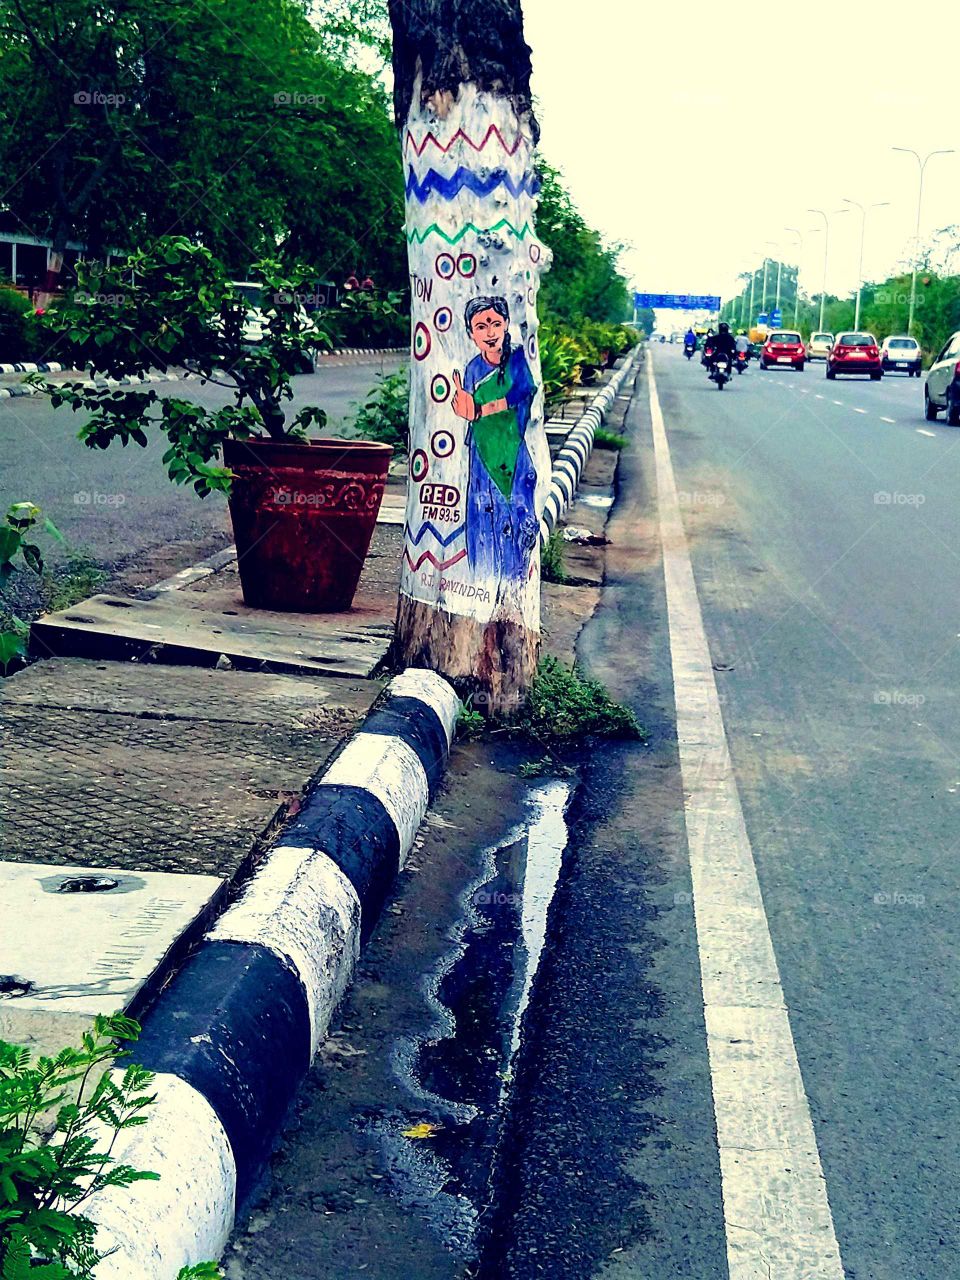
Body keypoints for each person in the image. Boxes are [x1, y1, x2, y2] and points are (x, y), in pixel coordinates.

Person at [451, 296, 539, 584]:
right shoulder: (472, 369)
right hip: (481, 454)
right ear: (470, 333)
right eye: (481, 326)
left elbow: (521, 393)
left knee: (513, 520)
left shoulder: (516, 361)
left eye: (495, 324)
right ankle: (482, 581)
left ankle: (511, 583)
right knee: (481, 518)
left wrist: (482, 409)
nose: (489, 333)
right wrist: (464, 409)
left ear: (505, 325)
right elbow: (468, 411)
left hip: (510, 452)